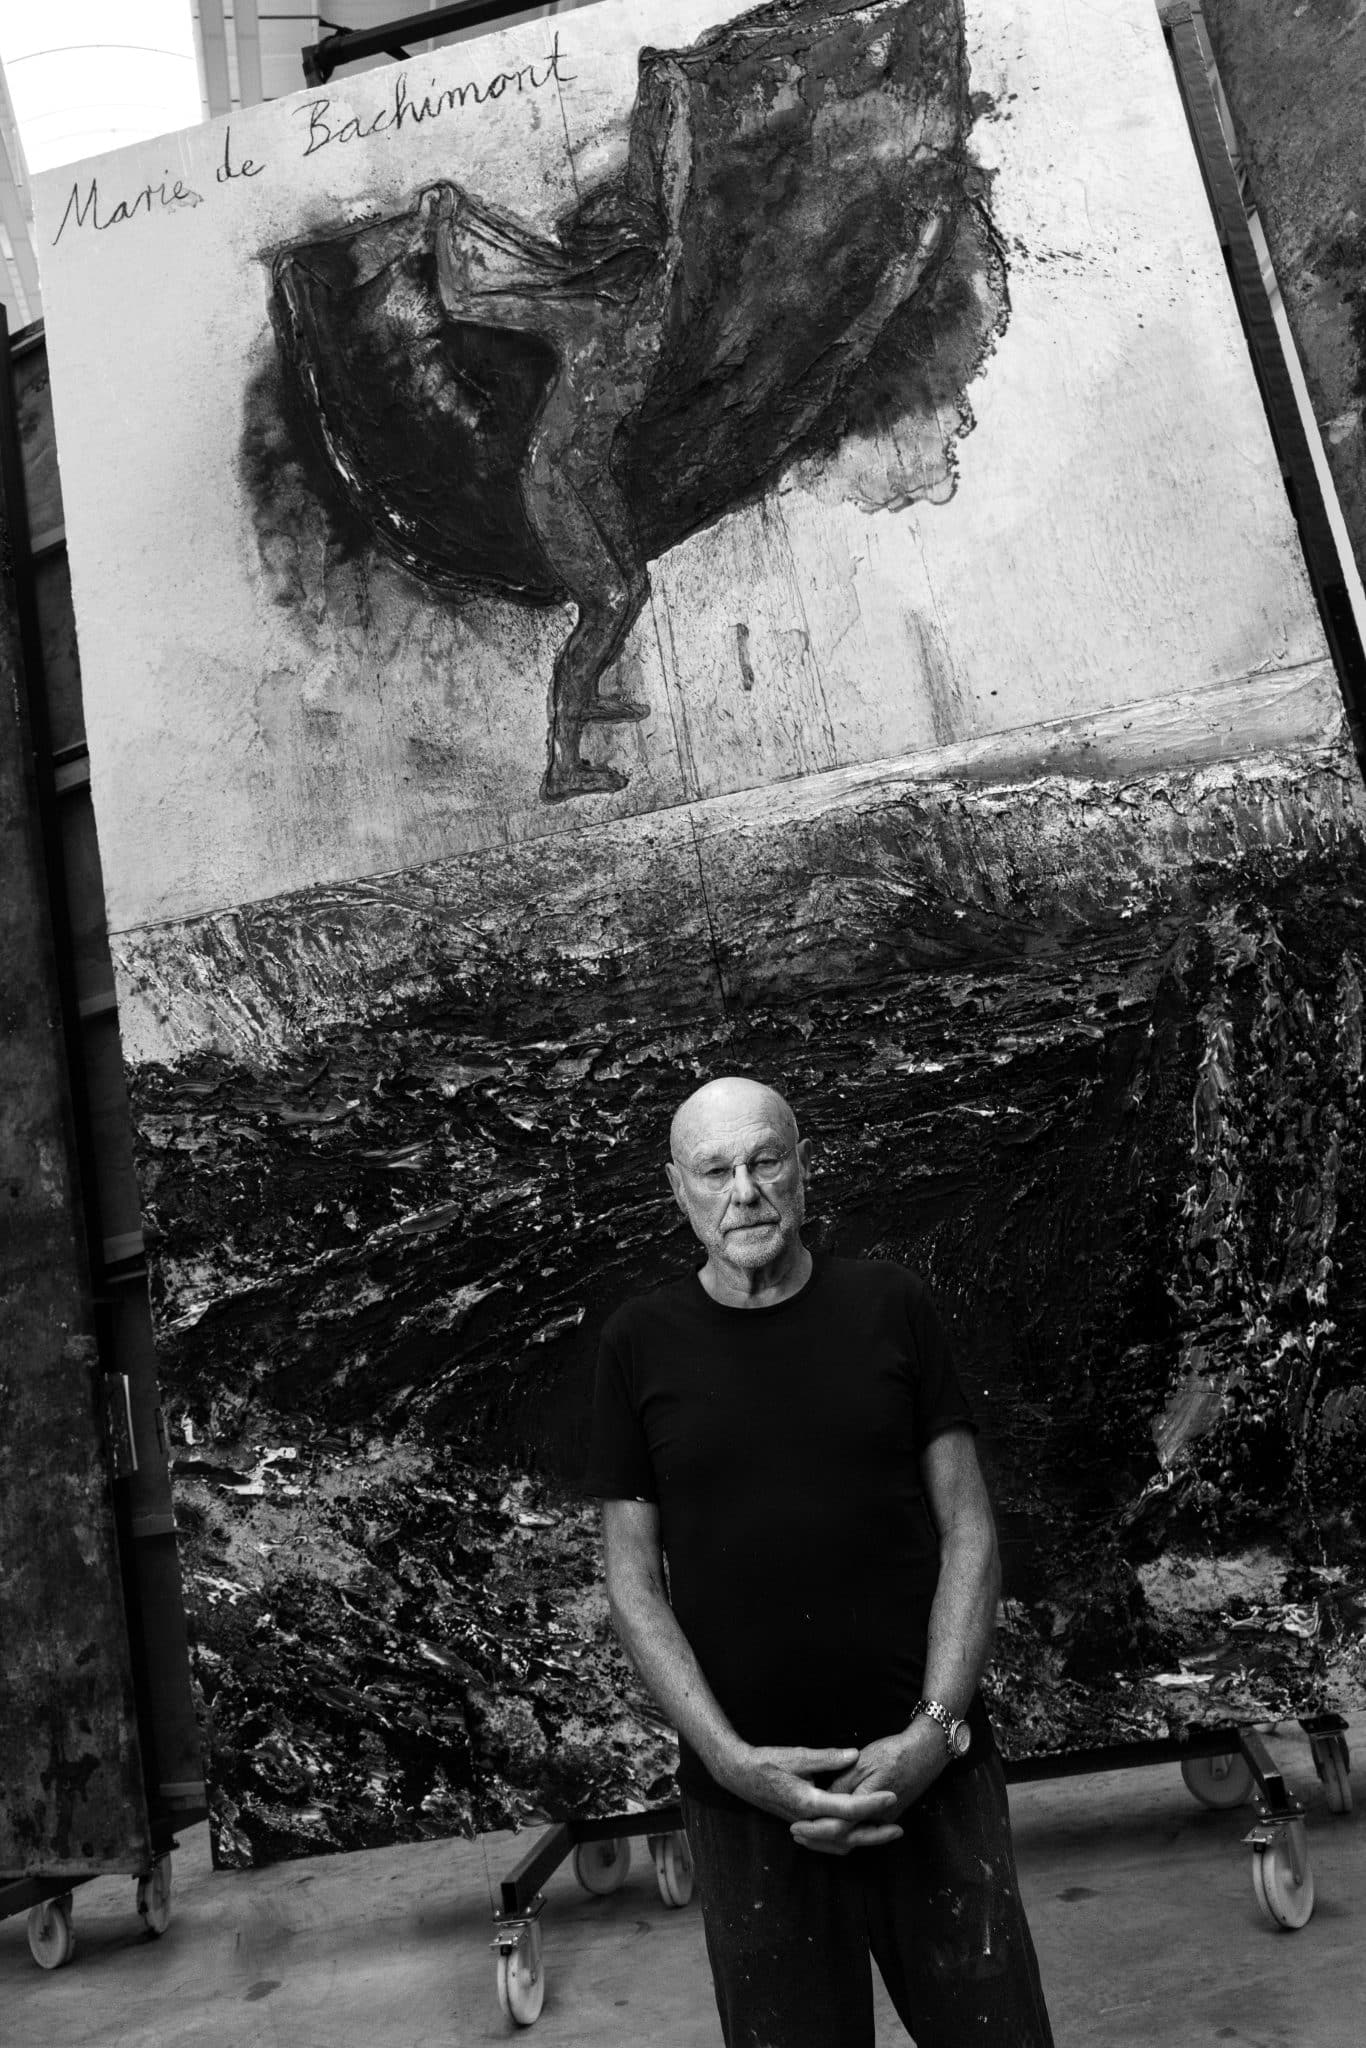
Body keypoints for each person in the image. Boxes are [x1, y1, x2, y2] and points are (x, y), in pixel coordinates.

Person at [584, 1075, 1054, 2048]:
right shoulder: (638, 1343)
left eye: (766, 1161)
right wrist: (729, 1761)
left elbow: (969, 1529)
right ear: (676, 1187)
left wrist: (932, 1733)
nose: (743, 1192)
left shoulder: (891, 1304)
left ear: (803, 1167)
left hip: (932, 1776)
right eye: (714, 1169)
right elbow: (631, 1584)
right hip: (749, 1806)